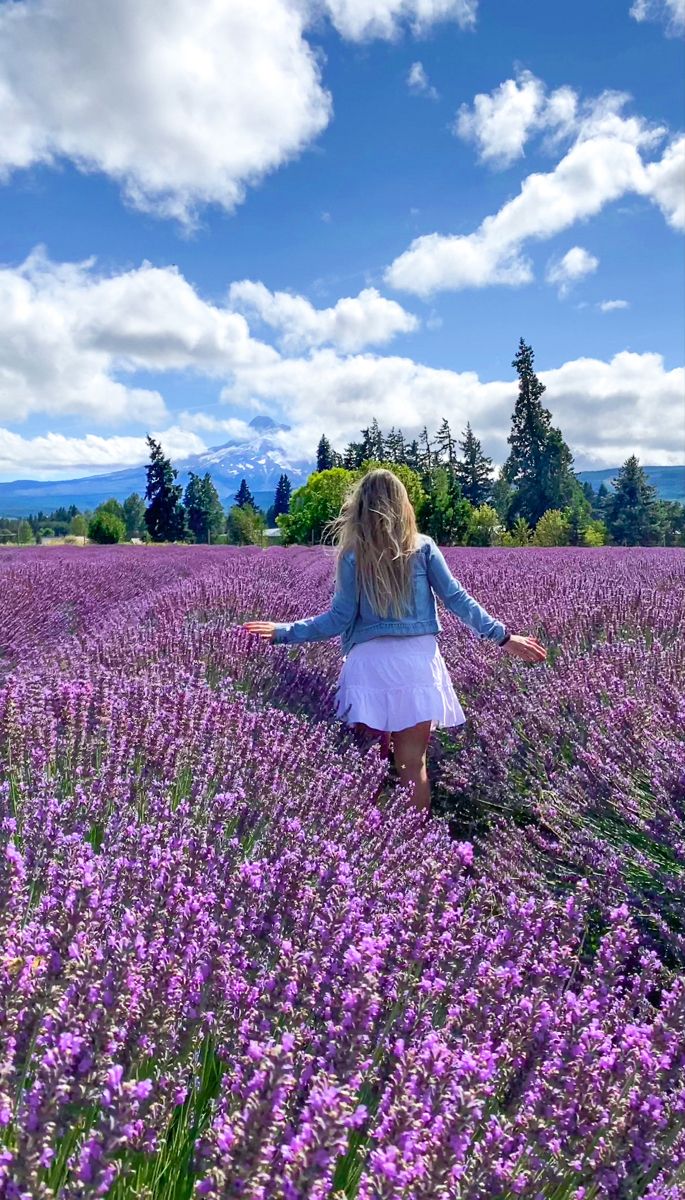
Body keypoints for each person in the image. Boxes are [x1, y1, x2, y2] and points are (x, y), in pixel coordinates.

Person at [244, 469, 546, 815]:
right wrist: (504, 637)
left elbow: (337, 620)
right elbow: (458, 599)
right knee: (412, 765)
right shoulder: (423, 547)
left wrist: (284, 632)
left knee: (367, 764)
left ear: (359, 508)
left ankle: (363, 852)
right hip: (418, 664)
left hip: (369, 667)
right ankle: (418, 848)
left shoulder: (352, 555)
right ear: (403, 505)